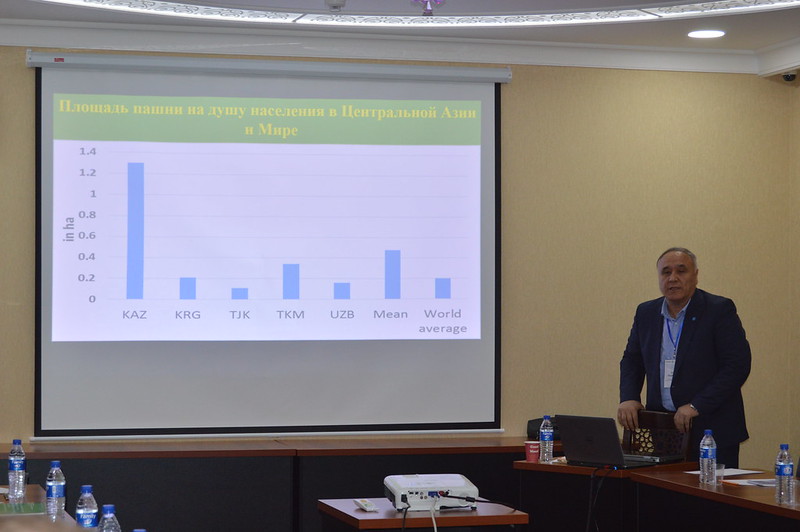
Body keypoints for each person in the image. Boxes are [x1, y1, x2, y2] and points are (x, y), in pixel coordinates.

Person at [617, 247, 751, 467]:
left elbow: (737, 365)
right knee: (664, 488)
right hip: (664, 429)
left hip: (711, 429)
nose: (673, 278)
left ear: (695, 275)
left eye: (681, 271)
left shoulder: (718, 310)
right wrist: (629, 397)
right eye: (666, 272)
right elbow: (632, 359)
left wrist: (697, 405)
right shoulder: (646, 313)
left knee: (710, 490)